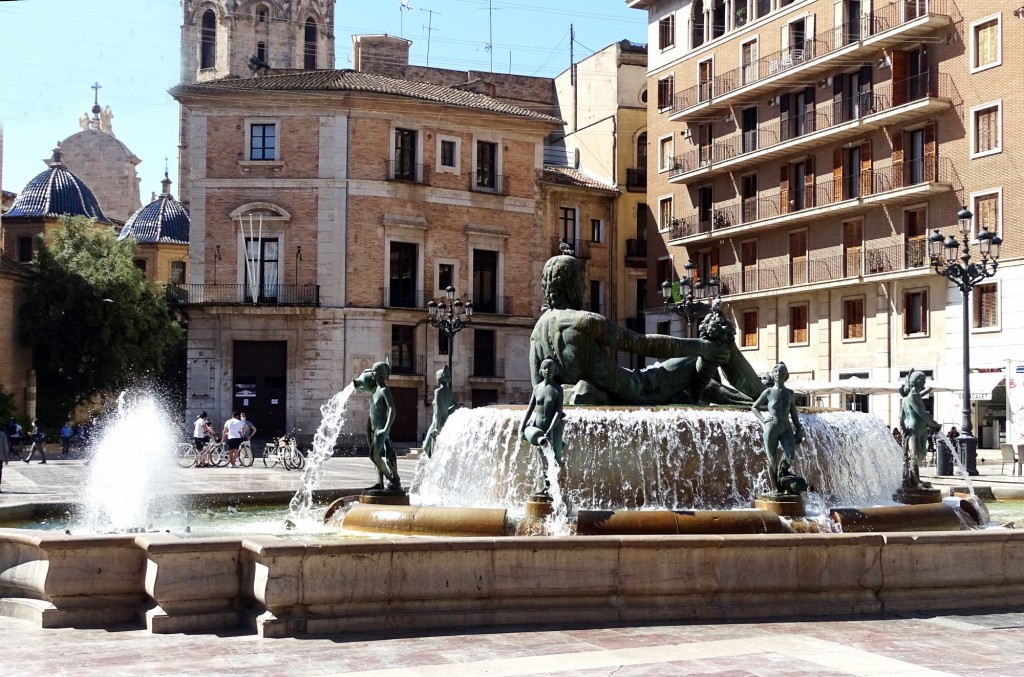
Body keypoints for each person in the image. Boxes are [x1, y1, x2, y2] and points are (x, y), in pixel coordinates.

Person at [528, 254, 763, 406]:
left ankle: (729, 398)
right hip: (638, 388)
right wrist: (699, 346)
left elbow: (537, 387)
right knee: (714, 349)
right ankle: (762, 397)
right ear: (572, 284)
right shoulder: (584, 320)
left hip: (613, 393)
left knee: (700, 370)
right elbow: (643, 344)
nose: (584, 290)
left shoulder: (537, 333)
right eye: (582, 282)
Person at [751, 362, 807, 495]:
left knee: (790, 455)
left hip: (786, 427)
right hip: (771, 428)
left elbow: (793, 413)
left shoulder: (790, 393)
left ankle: (782, 475)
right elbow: (754, 407)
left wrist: (798, 427)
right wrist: (763, 419)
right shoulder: (768, 391)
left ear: (786, 375)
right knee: (772, 458)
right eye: (775, 372)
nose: (778, 374)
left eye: (781, 372)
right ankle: (776, 488)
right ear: (773, 375)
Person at [352, 361, 401, 493]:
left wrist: (386, 428)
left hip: (381, 428)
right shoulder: (375, 390)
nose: (374, 374)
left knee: (373, 455)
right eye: (375, 372)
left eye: (375, 372)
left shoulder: (384, 390)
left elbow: (392, 410)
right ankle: (380, 483)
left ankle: (392, 479)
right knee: (379, 454)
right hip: (373, 427)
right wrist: (369, 424)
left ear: (382, 375)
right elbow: (374, 408)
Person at [520, 358, 566, 496]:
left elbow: (558, 411)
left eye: (551, 369)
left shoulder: (558, 389)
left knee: (555, 459)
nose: (548, 371)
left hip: (554, 428)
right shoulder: (537, 388)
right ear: (541, 370)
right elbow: (529, 409)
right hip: (539, 428)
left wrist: (551, 429)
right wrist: (522, 428)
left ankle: (555, 488)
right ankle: (547, 488)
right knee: (543, 460)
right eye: (545, 368)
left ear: (555, 371)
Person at [899, 370, 941, 489]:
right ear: (916, 381)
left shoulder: (913, 396)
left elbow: (901, 417)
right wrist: (934, 424)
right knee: (914, 456)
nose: (924, 383)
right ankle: (915, 482)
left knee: (918, 455)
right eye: (922, 381)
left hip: (919, 429)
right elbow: (921, 413)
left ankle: (917, 480)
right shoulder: (912, 396)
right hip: (914, 429)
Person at [423, 364, 459, 458]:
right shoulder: (450, 393)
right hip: (445, 421)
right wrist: (447, 411)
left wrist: (436, 428)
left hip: (437, 423)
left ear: (439, 378)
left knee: (426, 446)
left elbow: (438, 411)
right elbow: (456, 406)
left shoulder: (438, 391)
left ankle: (432, 464)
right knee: (435, 448)